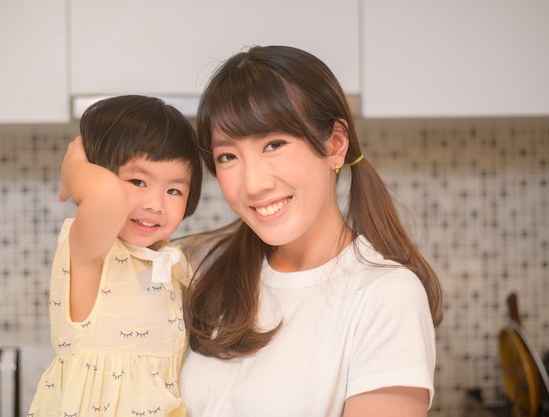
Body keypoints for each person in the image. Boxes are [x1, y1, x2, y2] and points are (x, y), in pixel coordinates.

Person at [178, 46, 443, 417]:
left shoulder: (386, 296)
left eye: (274, 144)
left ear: (335, 144)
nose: (253, 184)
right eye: (228, 156)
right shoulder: (197, 265)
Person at [28, 95, 203, 417]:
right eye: (138, 181)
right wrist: (74, 170)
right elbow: (104, 195)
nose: (155, 203)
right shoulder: (92, 251)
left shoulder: (169, 261)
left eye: (174, 190)